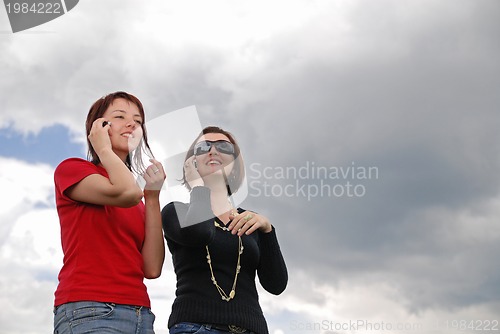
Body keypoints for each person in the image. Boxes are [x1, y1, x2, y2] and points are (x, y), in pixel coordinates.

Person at [53, 91, 166, 334]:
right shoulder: (73, 169)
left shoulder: (139, 199)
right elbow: (126, 192)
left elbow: (152, 268)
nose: (132, 124)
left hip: (141, 315)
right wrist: (103, 149)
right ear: (98, 127)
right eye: (120, 116)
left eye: (138, 120)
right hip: (90, 308)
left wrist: (153, 199)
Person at [161, 126, 288, 334]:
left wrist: (268, 229)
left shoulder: (251, 221)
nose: (213, 151)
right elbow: (200, 233)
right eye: (203, 147)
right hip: (196, 327)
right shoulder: (176, 211)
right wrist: (198, 187)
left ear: (235, 165)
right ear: (191, 163)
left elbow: (276, 285)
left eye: (223, 147)